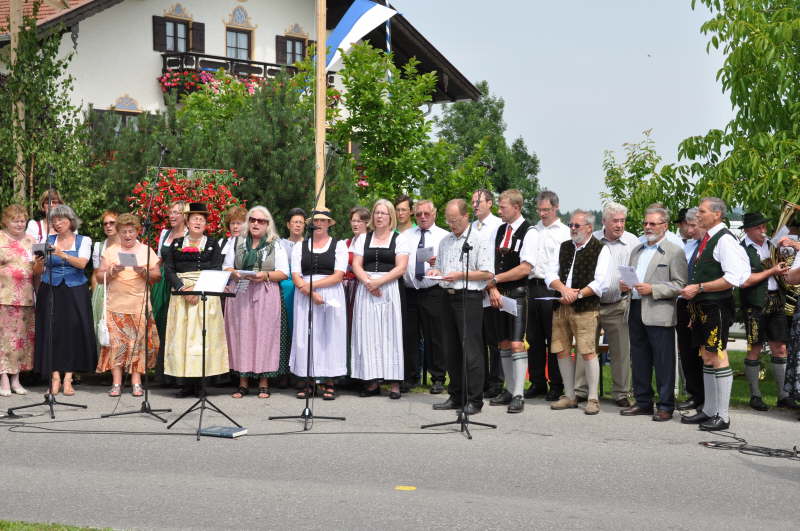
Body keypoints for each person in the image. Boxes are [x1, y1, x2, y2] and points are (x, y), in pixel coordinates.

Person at [679, 197, 751, 431]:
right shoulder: (707, 239)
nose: (697, 215)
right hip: (702, 308)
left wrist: (699, 288)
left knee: (718, 357)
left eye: (702, 211)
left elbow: (734, 278)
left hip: (717, 307)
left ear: (717, 214)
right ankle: (709, 410)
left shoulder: (724, 240)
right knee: (707, 357)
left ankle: (723, 414)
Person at [620, 206, 687, 421]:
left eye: (653, 224)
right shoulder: (637, 250)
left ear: (665, 226)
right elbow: (633, 278)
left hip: (659, 310)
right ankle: (643, 402)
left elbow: (680, 284)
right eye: (645, 223)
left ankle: (666, 405)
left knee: (663, 361)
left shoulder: (674, 251)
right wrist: (625, 286)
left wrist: (654, 289)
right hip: (636, 309)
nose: (647, 227)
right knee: (639, 359)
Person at [430, 199, 494, 414]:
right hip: (446, 295)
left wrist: (460, 275)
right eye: (448, 221)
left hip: (468, 297)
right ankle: (456, 395)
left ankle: (475, 400)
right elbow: (439, 267)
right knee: (451, 349)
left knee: (471, 350)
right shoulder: (445, 241)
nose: (451, 225)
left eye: (455, 220)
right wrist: (434, 273)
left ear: (467, 216)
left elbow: (487, 273)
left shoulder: (478, 239)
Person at [546, 210, 611, 415]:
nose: (572, 229)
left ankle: (592, 398)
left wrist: (577, 295)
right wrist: (564, 290)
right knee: (562, 349)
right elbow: (549, 273)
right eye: (571, 225)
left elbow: (602, 282)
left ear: (589, 227)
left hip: (585, 308)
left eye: (577, 225)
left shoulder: (601, 249)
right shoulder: (564, 247)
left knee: (588, 351)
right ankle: (570, 395)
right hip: (561, 306)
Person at [576, 202, 639, 407]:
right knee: (585, 347)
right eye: (615, 221)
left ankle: (621, 393)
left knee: (621, 350)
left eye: (622, 221)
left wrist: (630, 285)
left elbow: (637, 272)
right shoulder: (591, 239)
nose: (619, 225)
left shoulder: (632, 241)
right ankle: (581, 390)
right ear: (604, 221)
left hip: (617, 304)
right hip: (591, 304)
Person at [223, 206, 290, 399]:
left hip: (265, 292)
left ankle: (264, 381)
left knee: (264, 335)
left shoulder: (275, 244)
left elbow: (283, 272)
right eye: (252, 220)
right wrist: (234, 273)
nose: (255, 224)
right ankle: (243, 382)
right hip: (241, 291)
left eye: (261, 221)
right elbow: (226, 267)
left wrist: (266, 274)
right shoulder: (237, 242)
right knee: (242, 335)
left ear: (268, 224)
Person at [163, 202, 228, 397]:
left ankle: (201, 383)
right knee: (182, 338)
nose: (198, 222)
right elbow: (169, 269)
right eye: (194, 218)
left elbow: (216, 268)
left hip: (204, 293)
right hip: (182, 294)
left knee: (203, 338)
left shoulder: (212, 244)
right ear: (187, 222)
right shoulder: (176, 243)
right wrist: (183, 288)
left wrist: (198, 289)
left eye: (202, 219)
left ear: (206, 224)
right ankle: (185, 383)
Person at [34, 204, 97, 396]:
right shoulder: (47, 240)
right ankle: (54, 379)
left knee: (72, 333)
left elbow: (82, 264)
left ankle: (68, 379)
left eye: (61, 219)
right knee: (51, 332)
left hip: (75, 289)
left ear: (70, 221)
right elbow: (37, 271)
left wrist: (61, 253)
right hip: (50, 288)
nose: (57, 223)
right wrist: (38, 262)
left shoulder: (83, 240)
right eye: (54, 220)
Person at [94, 214, 160, 397]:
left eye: (131, 231)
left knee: (137, 345)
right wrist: (111, 272)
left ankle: (136, 382)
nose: (128, 235)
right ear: (119, 232)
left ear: (137, 231)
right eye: (124, 232)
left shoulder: (146, 250)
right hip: (115, 305)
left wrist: (144, 272)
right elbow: (99, 277)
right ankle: (116, 383)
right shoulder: (111, 251)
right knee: (116, 345)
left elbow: (157, 277)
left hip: (139, 306)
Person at [350, 200, 410, 399]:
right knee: (368, 335)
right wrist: (368, 282)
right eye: (377, 213)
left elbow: (401, 267)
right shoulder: (363, 239)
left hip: (388, 288)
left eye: (384, 213)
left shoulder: (399, 239)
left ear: (390, 216)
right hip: (366, 288)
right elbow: (356, 264)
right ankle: (372, 380)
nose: (379, 216)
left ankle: (394, 382)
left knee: (390, 334)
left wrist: (378, 282)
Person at [738, 212, 797, 410]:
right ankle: (755, 395)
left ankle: (783, 395)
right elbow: (744, 280)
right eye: (758, 227)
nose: (763, 230)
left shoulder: (772, 245)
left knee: (780, 347)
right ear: (747, 230)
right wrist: (772, 271)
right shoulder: (741, 250)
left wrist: (788, 251)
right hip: (755, 303)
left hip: (777, 300)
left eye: (764, 226)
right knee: (754, 348)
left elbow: (789, 267)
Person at [485, 189, 537, 414]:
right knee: (503, 343)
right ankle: (508, 388)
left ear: (516, 207)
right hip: (498, 294)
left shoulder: (530, 232)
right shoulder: (499, 231)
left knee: (516, 343)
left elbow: (525, 267)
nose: (499, 210)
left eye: (503, 206)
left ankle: (518, 393)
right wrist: (492, 287)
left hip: (517, 293)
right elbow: (490, 261)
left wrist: (495, 280)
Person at [289, 210, 348, 400]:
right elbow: (296, 274)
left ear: (329, 223)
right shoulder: (300, 246)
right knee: (307, 335)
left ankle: (330, 380)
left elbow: (339, 275)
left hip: (330, 292)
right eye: (316, 220)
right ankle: (309, 381)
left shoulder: (338, 245)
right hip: (305, 293)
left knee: (330, 335)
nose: (320, 223)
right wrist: (308, 291)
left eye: (323, 220)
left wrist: (313, 287)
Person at [526, 190, 570, 401]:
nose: (542, 213)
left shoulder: (564, 232)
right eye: (540, 209)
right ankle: (537, 381)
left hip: (552, 288)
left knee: (554, 338)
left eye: (547, 210)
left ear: (556, 207)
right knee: (533, 339)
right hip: (532, 286)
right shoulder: (533, 230)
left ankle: (556, 384)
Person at [401, 200, 449, 393]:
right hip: (410, 290)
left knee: (435, 336)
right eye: (419, 214)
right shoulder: (405, 236)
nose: (422, 217)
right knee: (410, 335)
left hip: (433, 291)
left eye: (426, 213)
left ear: (434, 214)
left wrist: (440, 263)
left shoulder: (444, 237)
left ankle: (438, 377)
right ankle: (411, 376)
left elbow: (451, 264)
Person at [471, 188, 504, 398]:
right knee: (479, 338)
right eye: (473, 201)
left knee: (495, 339)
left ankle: (496, 382)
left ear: (490, 203)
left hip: (492, 287)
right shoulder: (471, 227)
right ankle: (479, 381)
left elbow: (497, 261)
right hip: (474, 289)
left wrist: (492, 286)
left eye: (479, 201)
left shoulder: (498, 226)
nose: (475, 205)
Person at [0, 205, 35, 396]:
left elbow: (36, 270)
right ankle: (3, 378)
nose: (20, 224)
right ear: (6, 221)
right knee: (4, 340)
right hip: (4, 296)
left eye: (22, 220)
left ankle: (16, 379)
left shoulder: (31, 241)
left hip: (26, 297)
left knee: (21, 341)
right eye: (15, 220)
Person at [151, 200, 188, 384]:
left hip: (180, 281)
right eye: (171, 212)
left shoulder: (190, 234)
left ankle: (179, 375)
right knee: (162, 324)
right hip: (162, 282)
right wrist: (151, 269)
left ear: (184, 216)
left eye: (176, 213)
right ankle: (164, 373)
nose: (172, 216)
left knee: (177, 326)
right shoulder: (165, 233)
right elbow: (159, 258)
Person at [674, 207, 705, 411]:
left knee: (704, 352)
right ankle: (694, 393)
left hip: (702, 301)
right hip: (683, 301)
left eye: (693, 225)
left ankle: (707, 396)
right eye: (689, 225)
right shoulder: (686, 245)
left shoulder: (709, 244)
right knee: (686, 351)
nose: (690, 230)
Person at [344, 206, 370, 385]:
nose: (355, 223)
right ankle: (346, 372)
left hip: (362, 287)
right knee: (346, 330)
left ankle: (361, 374)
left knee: (361, 330)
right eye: (353, 220)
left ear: (367, 222)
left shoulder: (370, 241)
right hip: (345, 288)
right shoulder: (346, 243)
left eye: (359, 220)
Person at [90, 210, 119, 351]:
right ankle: (103, 363)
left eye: (112, 223)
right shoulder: (99, 246)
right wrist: (95, 296)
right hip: (103, 289)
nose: (108, 226)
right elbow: (96, 274)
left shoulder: (131, 243)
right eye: (105, 224)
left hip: (122, 289)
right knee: (102, 325)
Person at [280, 207, 307, 341]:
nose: (297, 225)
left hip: (304, 284)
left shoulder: (309, 244)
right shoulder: (279, 244)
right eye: (294, 222)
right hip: (285, 284)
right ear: (288, 224)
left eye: (300, 222)